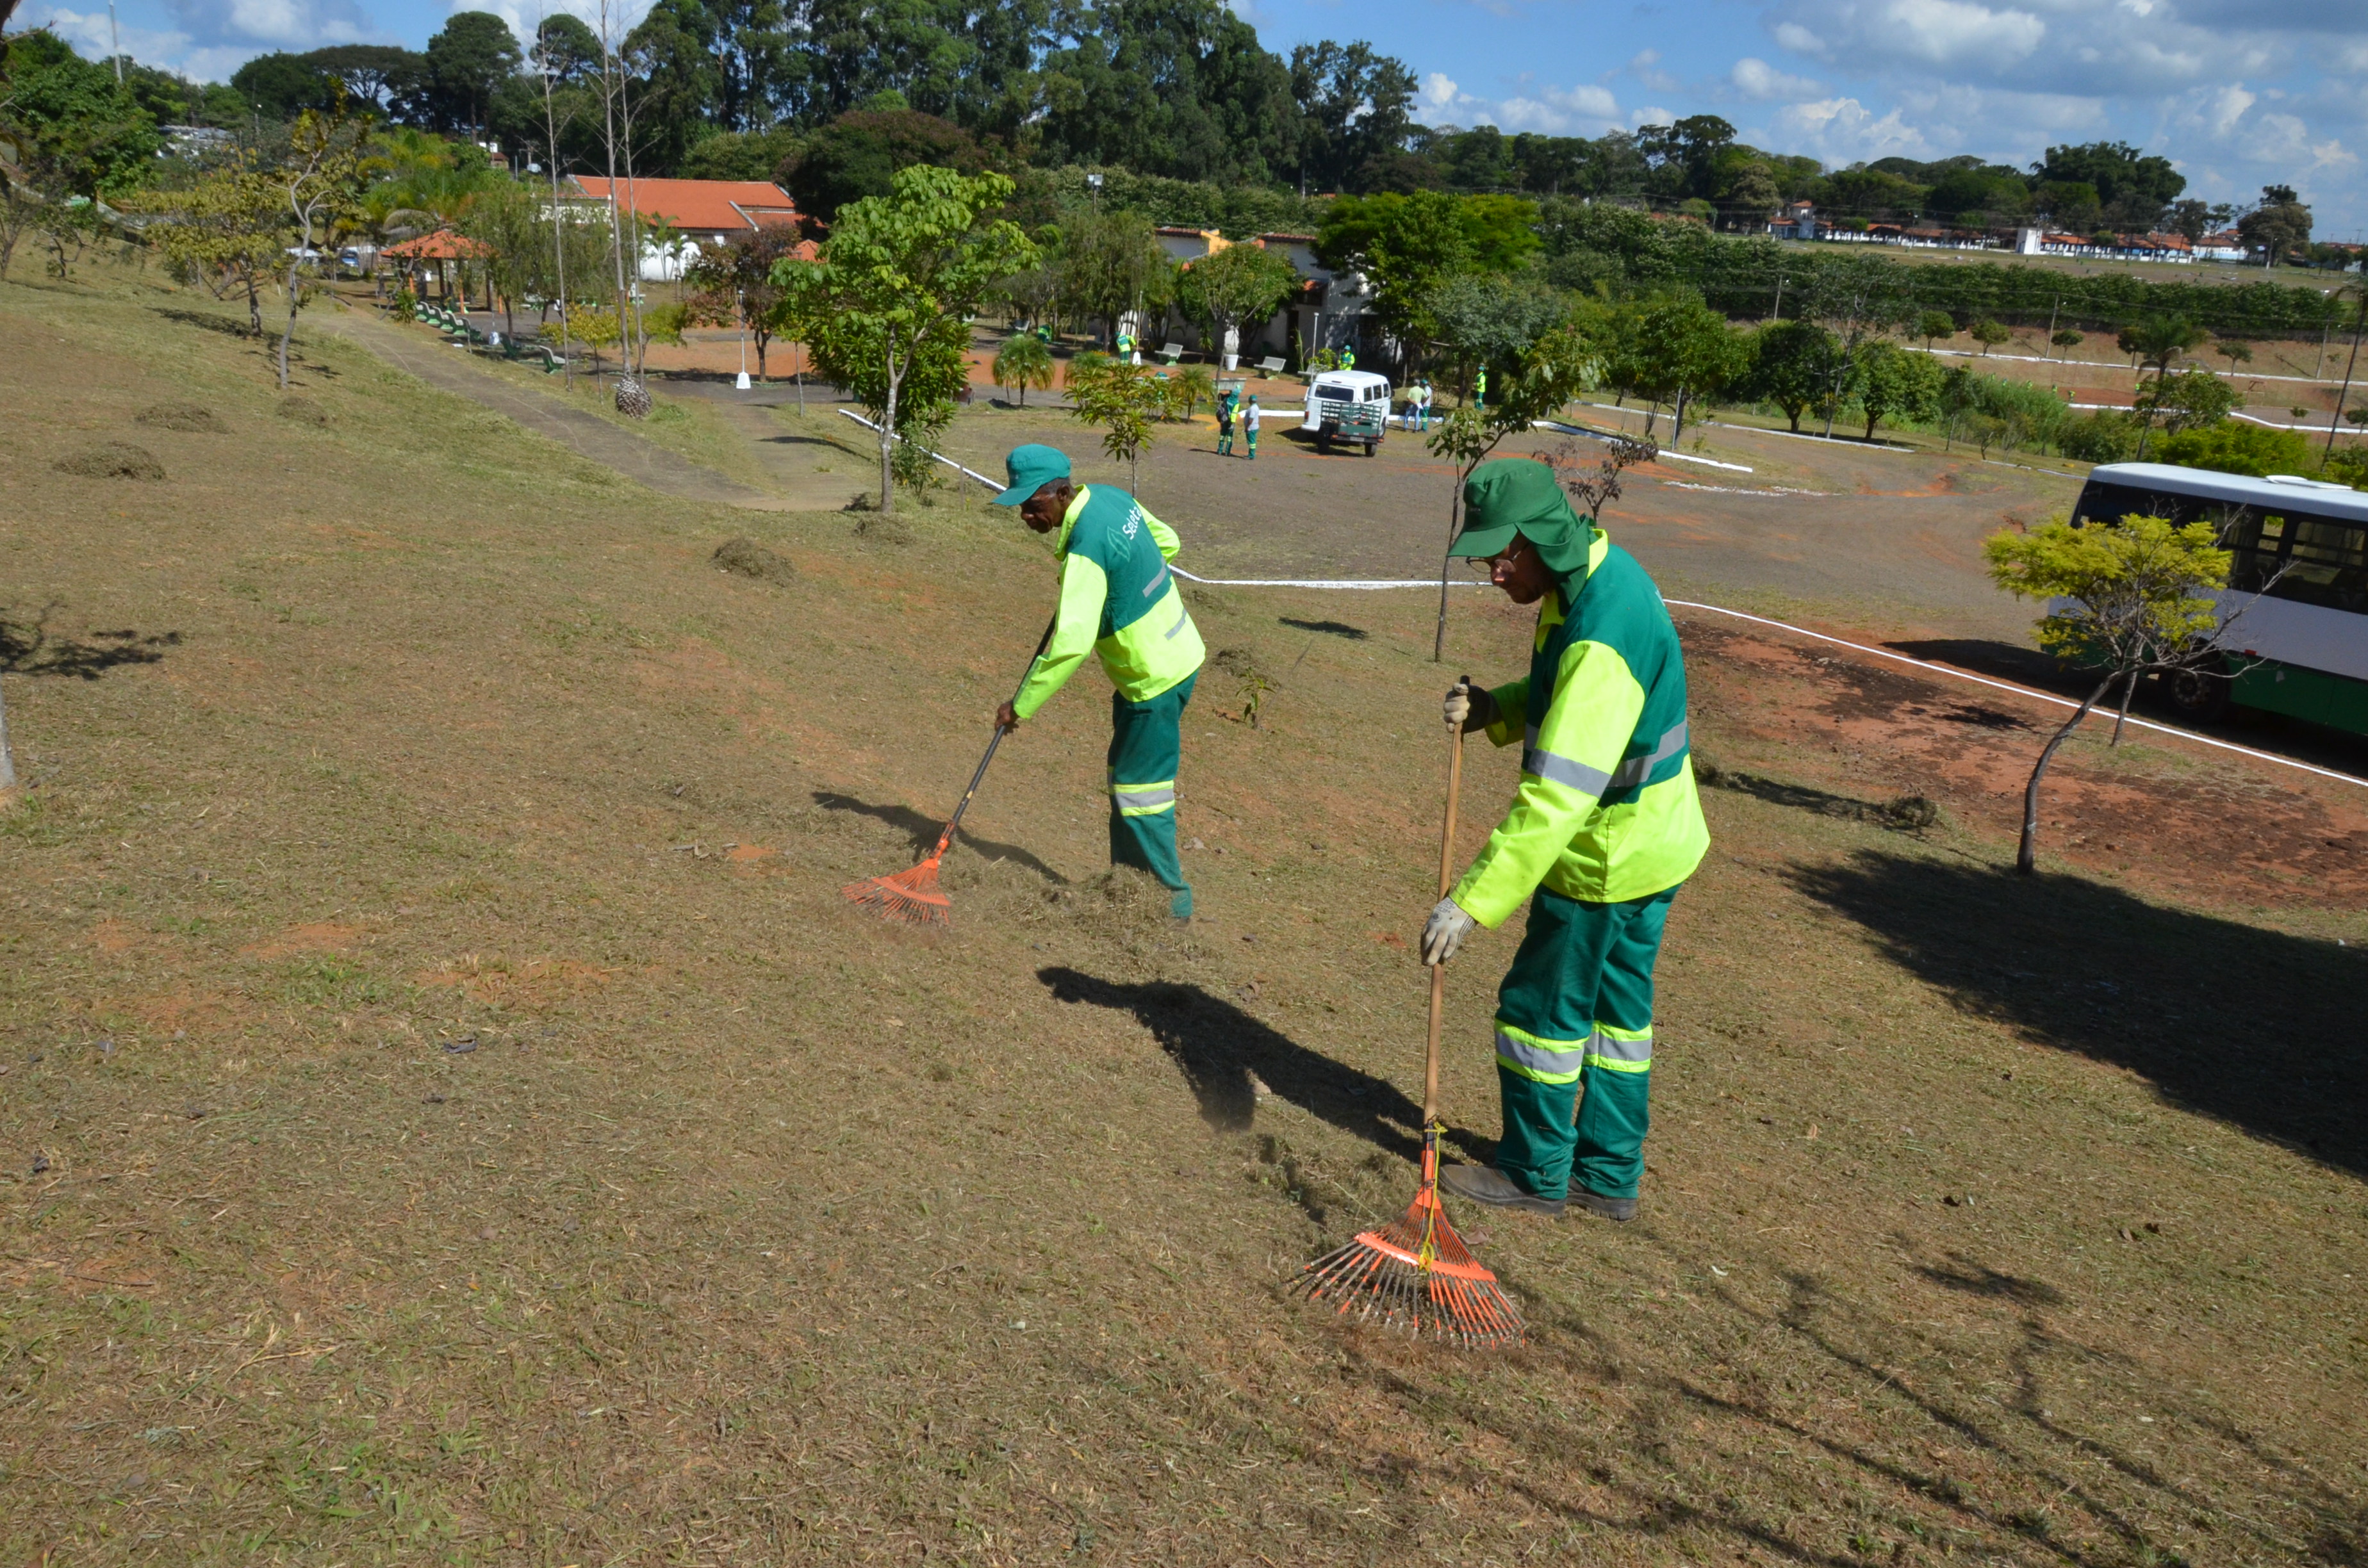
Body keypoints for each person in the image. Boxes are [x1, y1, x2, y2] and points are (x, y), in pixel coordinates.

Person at [1418, 459, 1709, 1223]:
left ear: (1543, 539)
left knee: (1540, 1014)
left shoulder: (1600, 636)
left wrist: (1470, 904)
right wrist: (1497, 709)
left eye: (1500, 557)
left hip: (1604, 857)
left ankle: (1535, 1173)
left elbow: (1557, 797)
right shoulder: (1593, 578)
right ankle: (1609, 1177)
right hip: (1660, 841)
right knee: (1618, 1024)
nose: (1491, 574)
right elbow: (1567, 706)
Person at [991, 445, 1207, 920]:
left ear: (1063, 494)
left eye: (1034, 504)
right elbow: (1167, 541)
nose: (1025, 515)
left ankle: (1170, 908)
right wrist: (1121, 576)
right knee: (1125, 780)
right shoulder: (1110, 498)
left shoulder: (1086, 547)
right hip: (1181, 653)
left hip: (1154, 681)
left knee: (1141, 793)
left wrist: (1020, 706)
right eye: (1021, 505)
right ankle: (1126, 887)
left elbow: (1071, 643)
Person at [1215, 388, 1237, 456]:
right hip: (1231, 421)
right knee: (1230, 437)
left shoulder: (1225, 402)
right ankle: (1228, 452)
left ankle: (1220, 450)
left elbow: (1218, 412)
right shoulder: (1236, 402)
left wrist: (1219, 420)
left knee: (1222, 436)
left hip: (1224, 420)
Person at [1243, 395, 1261, 461]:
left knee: (1251, 442)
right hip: (1254, 427)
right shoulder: (1256, 407)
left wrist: (1247, 427)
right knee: (1252, 442)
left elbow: (1251, 419)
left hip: (1252, 428)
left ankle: (1251, 455)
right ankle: (1251, 454)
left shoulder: (1252, 409)